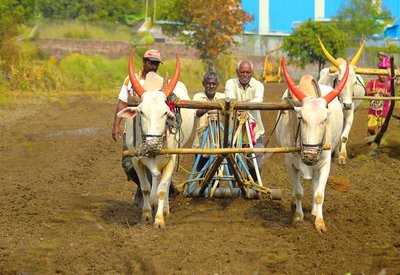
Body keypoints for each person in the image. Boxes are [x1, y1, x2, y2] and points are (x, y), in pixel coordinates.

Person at [111, 49, 178, 201]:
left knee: (155, 164)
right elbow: (123, 102)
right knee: (129, 165)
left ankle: (153, 191)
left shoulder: (162, 84)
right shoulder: (130, 80)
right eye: (151, 63)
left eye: (156, 64)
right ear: (144, 62)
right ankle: (144, 187)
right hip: (133, 132)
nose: (154, 67)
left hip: (155, 132)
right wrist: (116, 126)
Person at [225, 60, 265, 182]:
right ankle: (236, 189)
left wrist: (240, 104)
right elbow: (230, 100)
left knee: (255, 165)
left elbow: (258, 100)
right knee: (233, 162)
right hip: (234, 131)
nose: (245, 75)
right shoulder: (230, 83)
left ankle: (254, 185)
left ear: (251, 73)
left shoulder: (258, 85)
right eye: (242, 72)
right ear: (237, 72)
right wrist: (248, 103)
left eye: (248, 72)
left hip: (255, 131)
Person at [192, 71, 225, 172]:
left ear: (217, 85)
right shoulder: (197, 97)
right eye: (208, 83)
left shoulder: (222, 97)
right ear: (204, 84)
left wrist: (210, 106)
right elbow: (197, 113)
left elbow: (226, 112)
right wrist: (211, 106)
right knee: (201, 173)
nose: (211, 86)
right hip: (200, 141)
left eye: (214, 84)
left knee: (216, 174)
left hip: (217, 141)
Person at [366, 69, 391, 136]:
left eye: (385, 75)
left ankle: (378, 141)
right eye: (382, 75)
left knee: (382, 129)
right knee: (371, 129)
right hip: (373, 109)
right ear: (378, 74)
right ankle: (373, 137)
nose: (384, 77)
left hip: (384, 110)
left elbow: (392, 95)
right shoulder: (372, 82)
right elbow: (367, 92)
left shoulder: (389, 84)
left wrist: (385, 93)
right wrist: (375, 92)